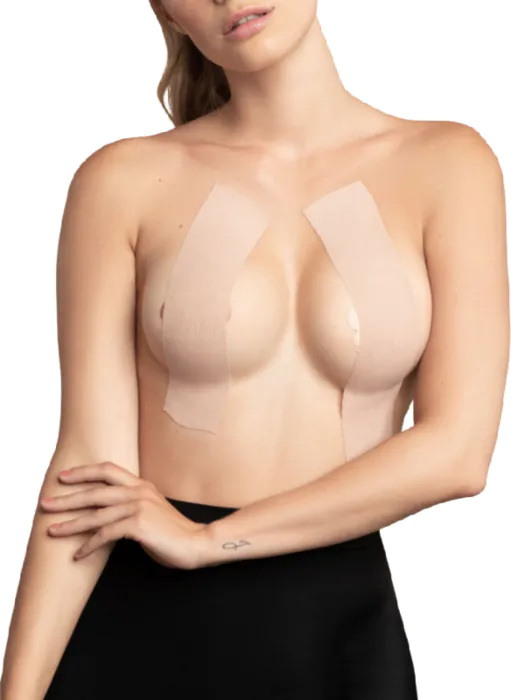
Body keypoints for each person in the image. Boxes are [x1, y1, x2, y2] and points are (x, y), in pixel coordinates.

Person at [1, 1, 509, 698]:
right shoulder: (121, 180)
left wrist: (210, 542)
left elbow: (458, 453)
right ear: (165, 11)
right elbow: (90, 468)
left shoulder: (448, 165)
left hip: (336, 632)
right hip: (141, 627)